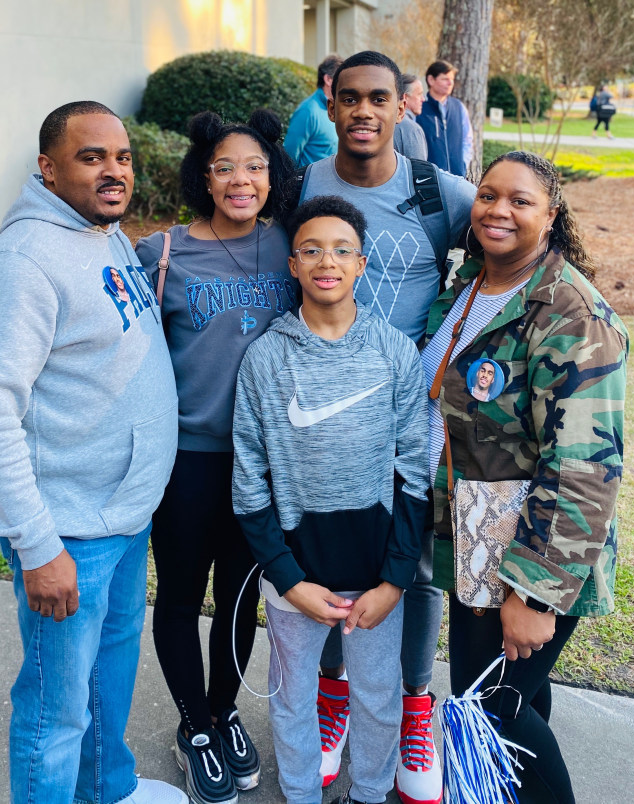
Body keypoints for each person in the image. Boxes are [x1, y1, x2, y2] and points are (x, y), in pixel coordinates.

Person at [0, 101, 186, 804]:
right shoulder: (19, 265)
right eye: (91, 157)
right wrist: (35, 543)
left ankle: (107, 789)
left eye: (122, 157)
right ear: (48, 168)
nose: (113, 171)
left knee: (108, 683)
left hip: (120, 516)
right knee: (55, 713)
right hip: (66, 533)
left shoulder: (99, 231)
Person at [291, 50, 476, 804]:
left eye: (380, 98)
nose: (364, 111)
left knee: (416, 561)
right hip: (330, 406)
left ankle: (411, 708)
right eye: (350, 98)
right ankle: (334, 696)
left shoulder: (445, 192)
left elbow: (513, 239)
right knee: (334, 547)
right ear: (330, 106)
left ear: (404, 107)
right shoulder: (306, 183)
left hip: (413, 416)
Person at [422, 150, 627, 803]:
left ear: (552, 214)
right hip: (475, 541)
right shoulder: (468, 288)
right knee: (513, 701)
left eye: (520, 200)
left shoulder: (569, 313)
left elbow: (584, 466)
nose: (498, 211)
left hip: (524, 558)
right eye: (488, 196)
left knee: (490, 708)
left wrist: (534, 594)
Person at [232, 194, 430, 804]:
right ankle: (301, 793)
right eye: (312, 249)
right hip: (297, 578)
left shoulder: (393, 350)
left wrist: (395, 580)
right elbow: (248, 482)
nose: (328, 261)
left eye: (342, 250)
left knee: (376, 696)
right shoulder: (266, 358)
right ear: (292, 265)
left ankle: (370, 793)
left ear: (362, 265)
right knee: (294, 699)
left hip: (375, 578)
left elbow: (415, 473)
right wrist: (286, 578)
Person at [135, 109, 296, 804]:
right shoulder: (161, 253)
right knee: (178, 594)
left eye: (255, 167)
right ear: (204, 175)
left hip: (262, 463)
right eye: (226, 167)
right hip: (186, 463)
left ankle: (225, 711)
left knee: (238, 599)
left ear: (272, 175)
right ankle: (193, 727)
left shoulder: (291, 246)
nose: (241, 180)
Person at [415, 59, 473, 177]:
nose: (450, 83)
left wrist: (463, 164)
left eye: (452, 79)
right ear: (431, 80)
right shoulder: (420, 109)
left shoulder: (459, 107)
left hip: (457, 180)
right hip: (430, 182)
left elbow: (467, 140)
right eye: (445, 79)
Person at [283, 54, 342, 166]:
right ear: (328, 79)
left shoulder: (341, 109)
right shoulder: (308, 111)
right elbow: (289, 157)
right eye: (341, 79)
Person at [393, 72, 428, 160]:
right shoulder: (412, 129)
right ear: (405, 98)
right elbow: (419, 170)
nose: (423, 99)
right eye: (419, 94)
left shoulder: (386, 121)